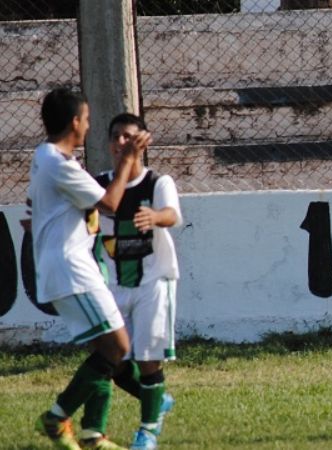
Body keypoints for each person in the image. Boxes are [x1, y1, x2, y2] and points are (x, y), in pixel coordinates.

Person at [28, 88, 150, 450]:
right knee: (117, 347)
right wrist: (129, 158)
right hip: (71, 268)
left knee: (108, 350)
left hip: (70, 266)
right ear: (75, 122)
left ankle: (94, 434)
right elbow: (111, 202)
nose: (89, 125)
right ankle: (56, 417)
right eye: (87, 119)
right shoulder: (58, 163)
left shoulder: (48, 156)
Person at [94, 113, 182, 450]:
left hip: (153, 282)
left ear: (143, 141)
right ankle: (157, 400)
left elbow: (172, 215)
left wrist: (155, 216)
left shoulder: (157, 182)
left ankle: (147, 431)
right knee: (109, 359)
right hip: (114, 284)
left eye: (128, 137)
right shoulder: (100, 184)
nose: (120, 143)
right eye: (115, 136)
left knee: (147, 360)